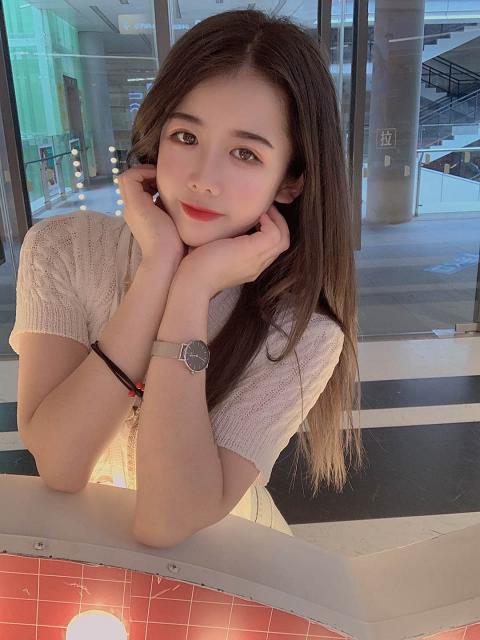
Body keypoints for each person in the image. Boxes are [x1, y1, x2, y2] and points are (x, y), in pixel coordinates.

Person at [9, 9, 365, 547]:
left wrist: (192, 289)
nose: (203, 178)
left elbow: (166, 521)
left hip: (218, 568)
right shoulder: (63, 249)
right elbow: (60, 463)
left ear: (290, 182)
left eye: (245, 153)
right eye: (185, 136)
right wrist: (159, 269)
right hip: (83, 553)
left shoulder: (301, 333)